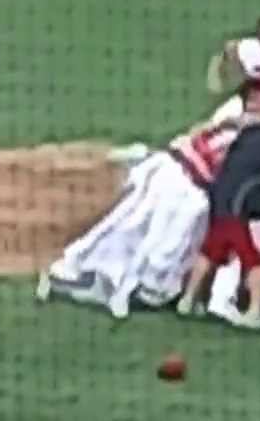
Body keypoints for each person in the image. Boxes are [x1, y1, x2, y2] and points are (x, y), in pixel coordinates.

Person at [37, 115, 245, 318]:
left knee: (129, 228)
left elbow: (200, 131)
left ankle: (78, 274)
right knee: (152, 245)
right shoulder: (253, 131)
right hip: (185, 187)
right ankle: (99, 282)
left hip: (167, 169)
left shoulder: (240, 114)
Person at [177, 110, 260, 325]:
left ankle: (187, 300)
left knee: (209, 252)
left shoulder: (249, 133)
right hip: (241, 208)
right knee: (255, 261)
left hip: (219, 198)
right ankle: (253, 312)